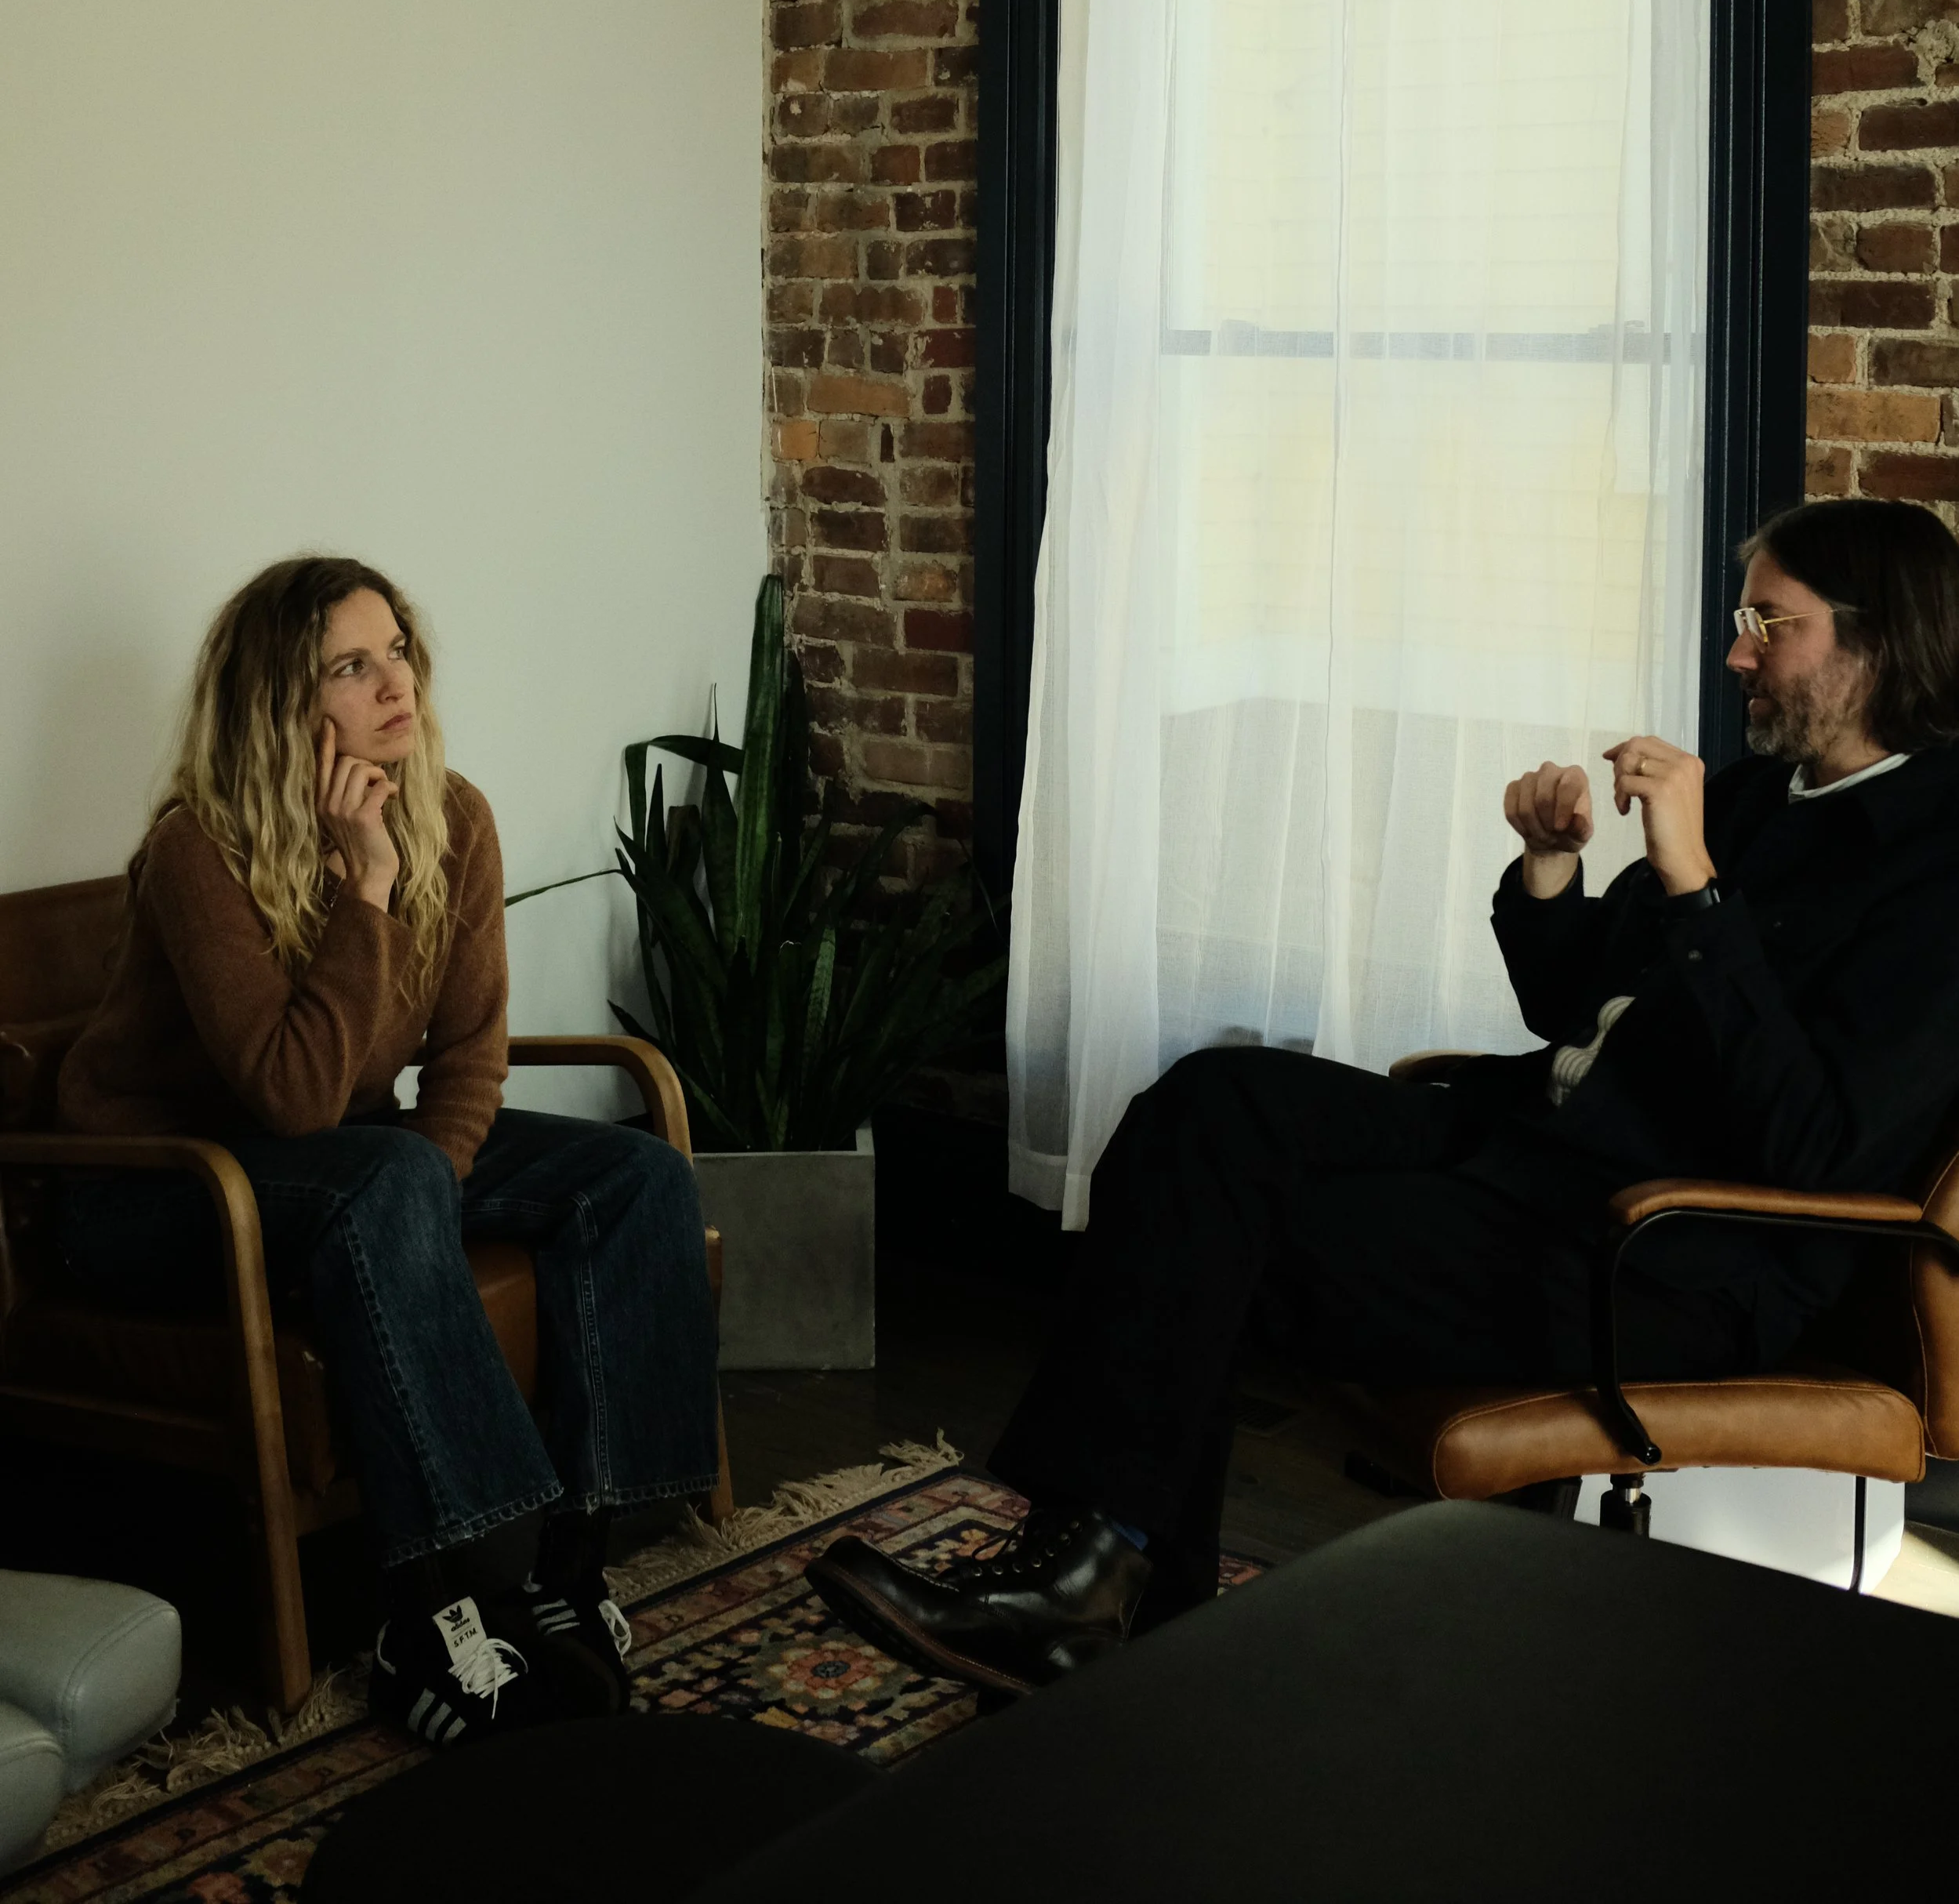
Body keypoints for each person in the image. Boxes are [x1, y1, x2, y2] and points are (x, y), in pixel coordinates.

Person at [807, 497, 1959, 1698]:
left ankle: (1105, 1595)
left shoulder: (1934, 869)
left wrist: (1695, 891)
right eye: (1740, 621)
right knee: (1207, 1106)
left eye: (1769, 624)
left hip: (1663, 1254)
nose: (1734, 654)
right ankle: (1100, 1582)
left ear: (1877, 643)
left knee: (1214, 1234)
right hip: (1531, 1149)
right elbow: (1575, 1010)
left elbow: (1811, 1145)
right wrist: (1550, 868)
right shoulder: (1761, 797)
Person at [56, 556, 720, 1745]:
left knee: (635, 1176)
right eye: (351, 666)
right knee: (390, 1173)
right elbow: (294, 1094)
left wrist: (424, 1198)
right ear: (282, 702)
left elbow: (468, 1056)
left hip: (340, 1167)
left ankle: (567, 1574)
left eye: (398, 651)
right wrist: (364, 888)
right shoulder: (199, 852)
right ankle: (433, 1612)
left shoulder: (453, 817)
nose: (395, 684)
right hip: (156, 1187)